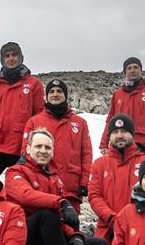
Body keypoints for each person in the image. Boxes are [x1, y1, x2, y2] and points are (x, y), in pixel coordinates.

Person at [22, 78, 92, 210]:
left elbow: (86, 154)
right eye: (51, 91)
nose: (55, 94)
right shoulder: (34, 122)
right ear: (46, 96)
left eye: (59, 91)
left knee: (70, 222)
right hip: (42, 188)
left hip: (70, 187)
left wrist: (84, 181)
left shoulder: (80, 123)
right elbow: (26, 154)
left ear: (65, 95)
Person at [0, 41, 44, 173]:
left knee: (19, 184)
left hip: (22, 147)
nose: (11, 58)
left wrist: (35, 143)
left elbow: (39, 117)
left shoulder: (34, 84)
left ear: (20, 57)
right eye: (7, 56)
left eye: (14, 55)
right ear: (2, 59)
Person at [89, 113, 145, 242]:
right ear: (109, 136)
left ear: (132, 134)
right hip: (106, 228)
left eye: (124, 131)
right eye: (115, 132)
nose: (119, 135)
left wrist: (130, 219)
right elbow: (94, 196)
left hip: (138, 229)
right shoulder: (99, 164)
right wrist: (111, 218)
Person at [100, 57, 145, 155]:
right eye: (129, 68)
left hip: (144, 143)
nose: (132, 70)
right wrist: (104, 144)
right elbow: (110, 120)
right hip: (120, 142)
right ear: (125, 72)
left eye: (135, 67)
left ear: (141, 70)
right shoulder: (118, 94)